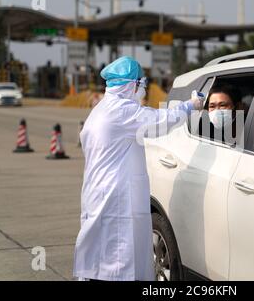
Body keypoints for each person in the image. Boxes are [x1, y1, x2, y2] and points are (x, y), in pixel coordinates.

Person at [73, 56, 204, 281]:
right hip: (115, 198)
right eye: (141, 85)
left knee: (102, 258)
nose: (142, 91)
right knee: (117, 262)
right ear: (131, 85)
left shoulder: (101, 109)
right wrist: (191, 105)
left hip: (100, 194)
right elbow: (162, 119)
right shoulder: (121, 111)